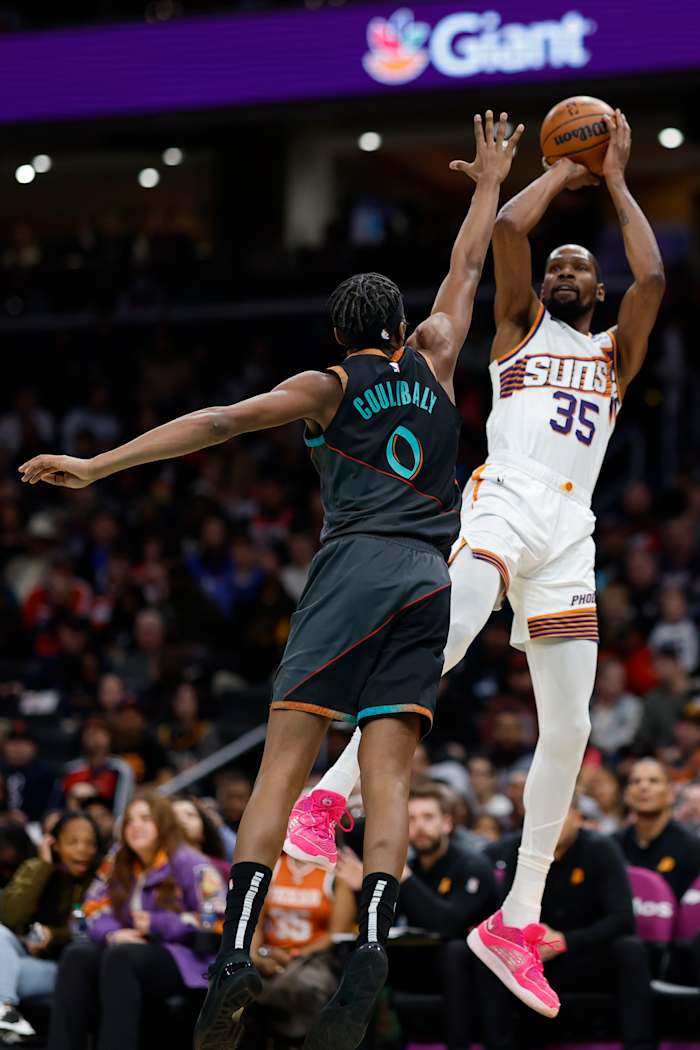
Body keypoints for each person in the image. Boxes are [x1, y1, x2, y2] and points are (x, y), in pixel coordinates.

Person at [19, 110, 524, 1050]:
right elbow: (464, 268)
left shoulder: (326, 388)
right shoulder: (440, 354)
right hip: (430, 579)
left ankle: (233, 952)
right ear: (402, 326)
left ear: (340, 333)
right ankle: (371, 944)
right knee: (382, 779)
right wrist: (489, 184)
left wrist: (96, 467)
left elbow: (215, 423)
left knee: (280, 775)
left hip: (355, 570)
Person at [289, 110, 665, 1019]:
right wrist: (563, 172)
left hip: (570, 534)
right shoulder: (516, 330)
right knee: (449, 631)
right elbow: (503, 230)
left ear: (598, 289)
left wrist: (615, 180)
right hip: (505, 499)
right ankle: (327, 796)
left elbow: (650, 273)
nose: (566, 271)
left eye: (581, 266)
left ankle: (517, 921)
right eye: (556, 267)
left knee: (571, 729)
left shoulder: (617, 355)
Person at [47, 793, 226, 1050]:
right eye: (129, 820)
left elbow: (218, 920)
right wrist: (112, 934)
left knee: (122, 957)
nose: (135, 826)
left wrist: (158, 923)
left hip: (182, 957)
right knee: (78, 955)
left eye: (145, 818)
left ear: (163, 823)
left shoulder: (191, 862)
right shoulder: (117, 859)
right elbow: (88, 912)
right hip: (127, 946)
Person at [481, 798, 655, 1050]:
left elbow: (622, 919)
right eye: (542, 817)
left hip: (586, 953)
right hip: (536, 957)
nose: (550, 824)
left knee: (629, 949)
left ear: (576, 815)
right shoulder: (521, 851)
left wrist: (565, 941)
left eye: (558, 815)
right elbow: (507, 912)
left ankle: (640, 1045)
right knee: (489, 954)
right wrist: (532, 940)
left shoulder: (600, 849)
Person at [0, 812, 99, 1041]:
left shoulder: (101, 882)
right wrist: (42, 866)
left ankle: (5, 1012)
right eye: (73, 842)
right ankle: (5, 1012)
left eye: (90, 843)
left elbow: (91, 931)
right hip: (21, 954)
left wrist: (54, 936)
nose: (83, 850)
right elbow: (10, 916)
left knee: (6, 974)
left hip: (63, 967)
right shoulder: (38, 869)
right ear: (55, 845)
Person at [248, 850, 356, 1043]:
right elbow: (255, 923)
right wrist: (257, 955)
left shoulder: (334, 871)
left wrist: (294, 956)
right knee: (238, 983)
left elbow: (336, 934)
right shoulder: (273, 865)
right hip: (271, 954)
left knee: (305, 986)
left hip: (315, 958)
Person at [615, 757, 700, 903]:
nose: (643, 787)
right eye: (635, 781)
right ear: (626, 794)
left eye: (653, 781)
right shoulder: (612, 845)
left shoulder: (692, 847)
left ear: (671, 793)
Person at [61, 717, 134, 817]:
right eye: (89, 732)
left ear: (109, 737)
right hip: (77, 820)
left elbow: (122, 807)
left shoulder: (121, 769)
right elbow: (59, 805)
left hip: (109, 822)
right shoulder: (71, 769)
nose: (94, 736)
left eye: (100, 732)